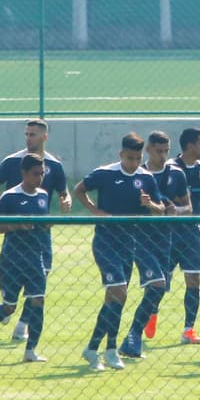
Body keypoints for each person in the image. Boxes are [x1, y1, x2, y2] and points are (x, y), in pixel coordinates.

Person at [74, 132, 165, 371]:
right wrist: (96, 212)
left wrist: (150, 205)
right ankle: (112, 349)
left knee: (114, 299)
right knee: (120, 292)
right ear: (121, 154)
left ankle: (93, 349)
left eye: (137, 158)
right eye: (129, 158)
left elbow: (162, 209)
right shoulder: (106, 174)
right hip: (106, 242)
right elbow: (79, 189)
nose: (134, 163)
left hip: (130, 243)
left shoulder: (146, 178)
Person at [0, 119, 71, 343]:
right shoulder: (13, 161)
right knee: (16, 283)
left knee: (41, 278)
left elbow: (64, 191)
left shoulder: (55, 165)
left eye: (33, 134)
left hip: (41, 233)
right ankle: (7, 307)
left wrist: (66, 200)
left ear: (45, 137)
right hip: (16, 235)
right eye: (26, 134)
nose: (28, 138)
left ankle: (22, 325)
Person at [122, 131, 191, 358]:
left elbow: (187, 207)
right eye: (158, 151)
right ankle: (132, 335)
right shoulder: (136, 174)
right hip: (140, 238)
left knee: (158, 290)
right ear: (148, 150)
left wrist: (175, 211)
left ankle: (133, 335)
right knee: (157, 284)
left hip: (166, 239)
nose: (162, 156)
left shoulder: (177, 174)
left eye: (166, 151)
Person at [0, 155, 51, 363]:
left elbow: (44, 223)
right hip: (11, 260)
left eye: (42, 173)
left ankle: (30, 351)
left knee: (38, 300)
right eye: (35, 174)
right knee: (9, 306)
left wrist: (47, 224)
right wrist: (18, 226)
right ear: (24, 173)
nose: (39, 178)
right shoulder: (10, 197)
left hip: (35, 258)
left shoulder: (43, 196)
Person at [168, 127, 200, 345]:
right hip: (171, 232)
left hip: (192, 232)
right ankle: (150, 315)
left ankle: (188, 329)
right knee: (161, 282)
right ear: (190, 145)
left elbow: (192, 195)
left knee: (193, 280)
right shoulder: (172, 169)